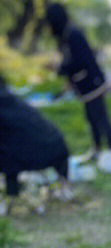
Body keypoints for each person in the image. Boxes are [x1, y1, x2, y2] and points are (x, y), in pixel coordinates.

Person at [44, 1, 111, 158]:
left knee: (101, 117)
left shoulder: (73, 35)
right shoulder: (66, 36)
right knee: (91, 118)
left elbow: (80, 61)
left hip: (92, 82)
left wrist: (59, 69)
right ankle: (97, 149)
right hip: (83, 85)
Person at [0, 76, 72, 213]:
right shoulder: (12, 100)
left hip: (35, 155)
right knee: (10, 143)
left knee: (7, 148)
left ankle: (11, 195)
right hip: (58, 148)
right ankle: (63, 186)